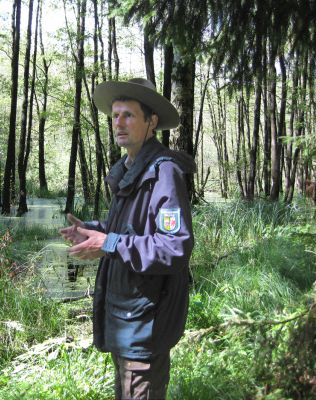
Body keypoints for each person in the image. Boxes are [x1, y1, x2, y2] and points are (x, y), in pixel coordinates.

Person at [59, 78, 195, 399]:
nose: (118, 122)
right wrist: (95, 230)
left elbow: (173, 247)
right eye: (115, 115)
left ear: (151, 122)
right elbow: (131, 230)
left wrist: (107, 243)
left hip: (145, 326)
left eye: (129, 115)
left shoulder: (163, 174)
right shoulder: (131, 168)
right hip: (127, 320)